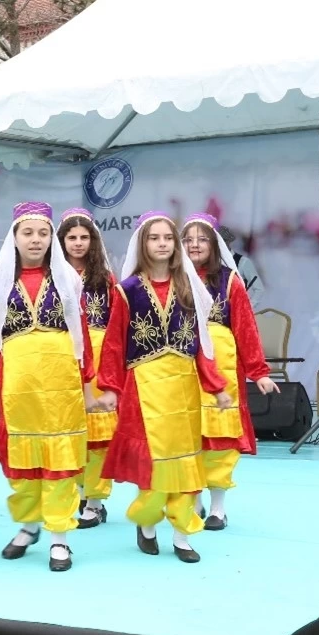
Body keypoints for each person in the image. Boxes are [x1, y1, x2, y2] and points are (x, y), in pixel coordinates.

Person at [97, 211, 232, 563]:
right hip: (144, 388)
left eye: (167, 238)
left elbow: (203, 345)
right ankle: (147, 522)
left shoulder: (190, 287)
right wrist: (110, 387)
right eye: (154, 238)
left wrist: (216, 386)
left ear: (176, 246)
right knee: (152, 463)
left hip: (183, 387)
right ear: (143, 245)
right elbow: (113, 343)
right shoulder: (126, 291)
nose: (161, 243)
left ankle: (183, 533)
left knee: (186, 464)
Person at [0, 203, 95, 572]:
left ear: (51, 239)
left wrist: (89, 385)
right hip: (18, 385)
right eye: (28, 233)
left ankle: (59, 538)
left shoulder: (68, 281)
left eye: (43, 233)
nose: (36, 240)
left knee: (59, 462)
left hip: (60, 383)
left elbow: (83, 338)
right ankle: (29, 526)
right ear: (14, 237)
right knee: (22, 462)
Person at [182, 213, 277, 529]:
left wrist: (259, 372)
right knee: (187, 436)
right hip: (182, 370)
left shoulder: (230, 280)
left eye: (202, 239)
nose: (195, 245)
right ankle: (193, 499)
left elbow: (246, 329)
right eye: (189, 239)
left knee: (220, 438)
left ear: (214, 244)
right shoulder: (173, 279)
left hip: (222, 370)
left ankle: (218, 508)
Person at [57, 208, 119, 530]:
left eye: (84, 237)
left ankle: (96, 501)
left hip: (98, 359)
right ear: (62, 241)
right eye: (72, 237)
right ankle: (78, 493)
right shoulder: (52, 276)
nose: (78, 243)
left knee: (98, 436)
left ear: (93, 241)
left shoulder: (106, 279)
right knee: (71, 433)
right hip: (63, 359)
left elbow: (117, 327)